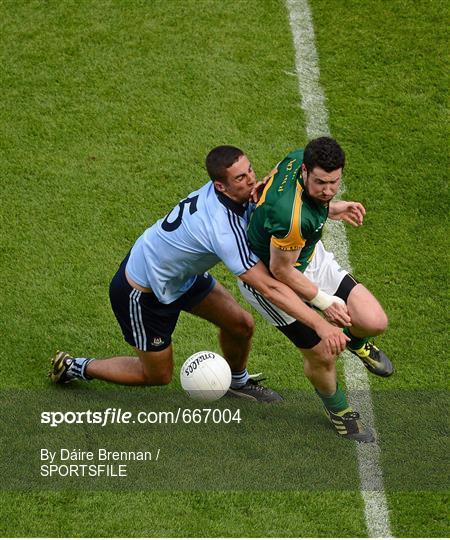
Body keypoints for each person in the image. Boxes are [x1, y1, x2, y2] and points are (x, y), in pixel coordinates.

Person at [49, 145, 349, 404]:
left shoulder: (233, 196)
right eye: (240, 178)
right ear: (221, 186)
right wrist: (321, 324)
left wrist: (329, 208)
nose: (251, 180)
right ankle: (77, 366)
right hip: (143, 291)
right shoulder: (221, 227)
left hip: (183, 277)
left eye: (249, 170)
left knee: (240, 325)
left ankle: (238, 381)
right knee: (157, 375)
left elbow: (271, 210)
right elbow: (268, 286)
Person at [240, 136, 393, 441]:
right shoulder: (291, 218)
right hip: (271, 279)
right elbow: (282, 270)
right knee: (323, 352)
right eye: (321, 183)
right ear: (306, 172)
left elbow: (274, 176)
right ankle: (338, 411)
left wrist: (332, 208)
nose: (328, 190)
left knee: (375, 321)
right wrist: (325, 302)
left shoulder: (299, 157)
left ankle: (355, 341)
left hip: (306, 254)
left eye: (334, 182)